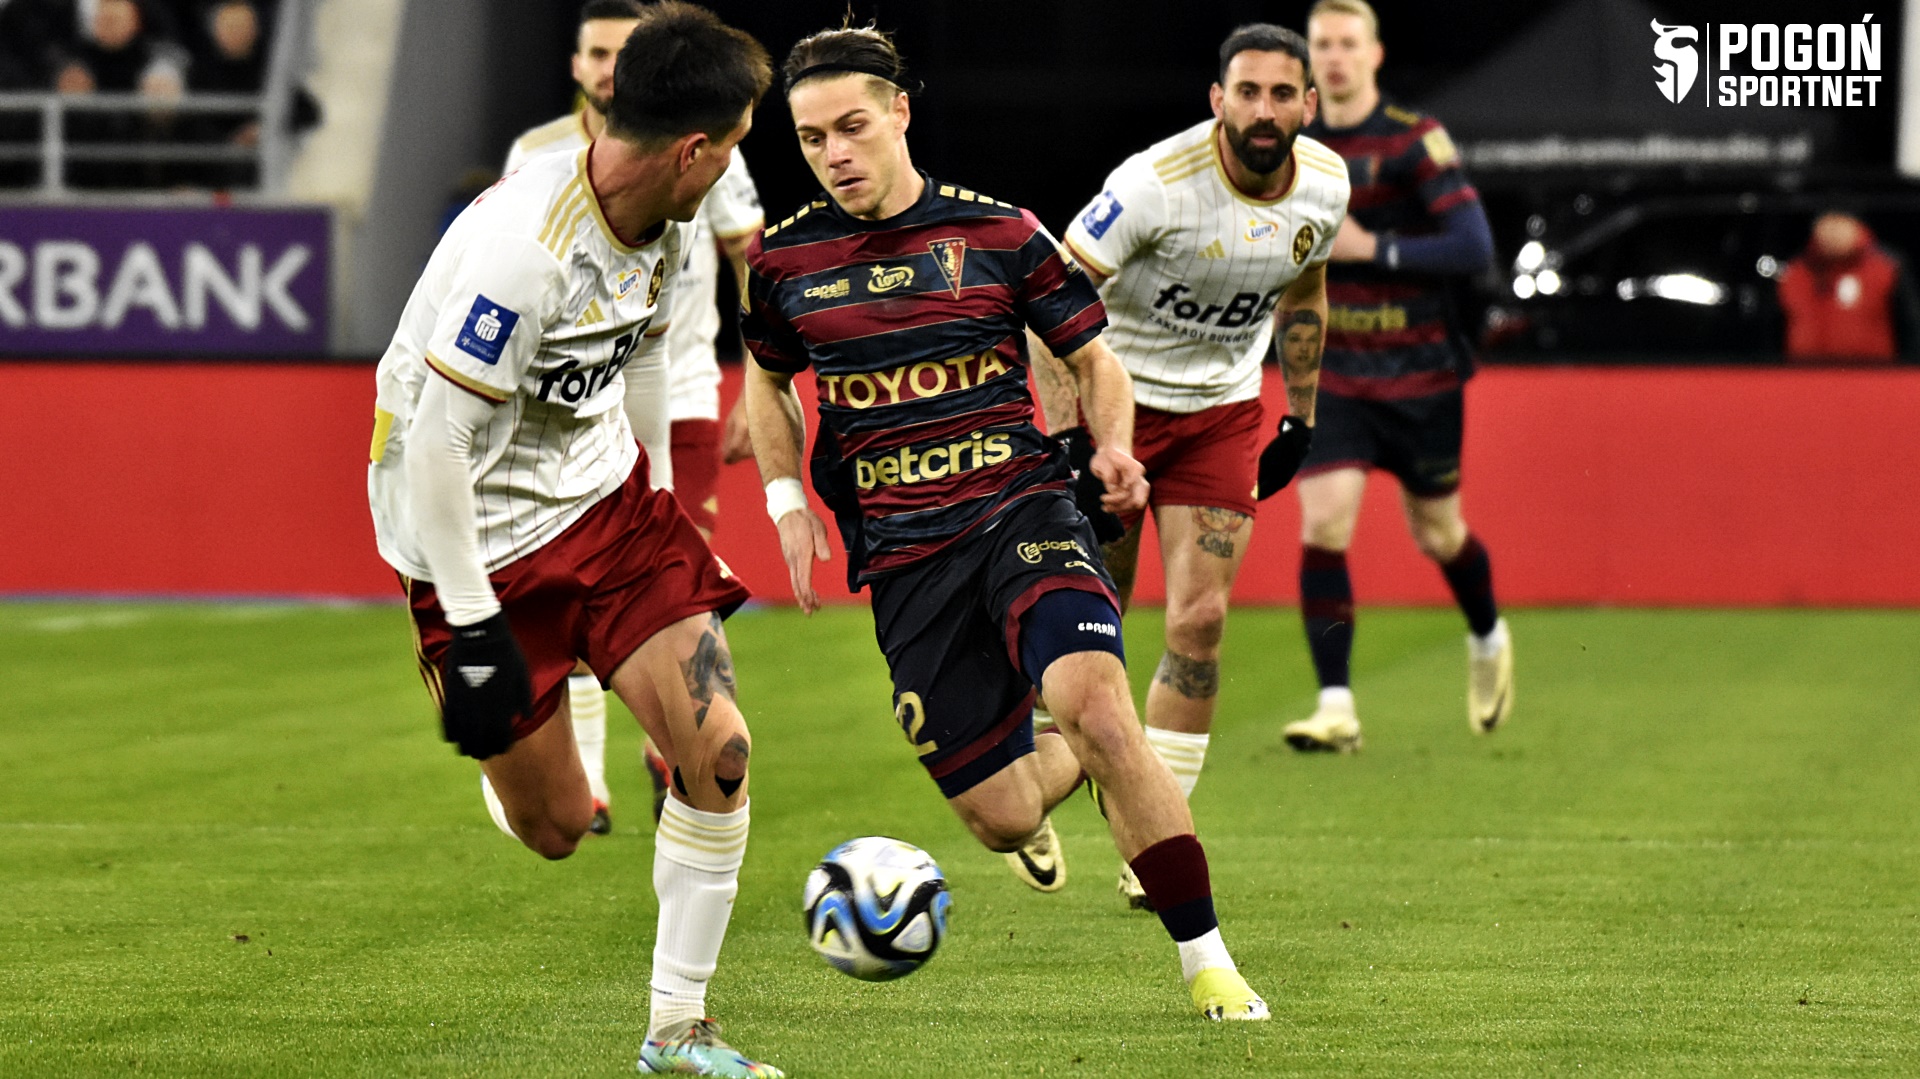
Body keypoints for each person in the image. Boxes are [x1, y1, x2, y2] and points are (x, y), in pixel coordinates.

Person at [741, 24, 1269, 1022]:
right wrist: (785, 500)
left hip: (1024, 508)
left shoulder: (999, 233)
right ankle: (1058, 750)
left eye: (852, 127)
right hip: (905, 558)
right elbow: (767, 381)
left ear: (900, 113)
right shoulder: (784, 261)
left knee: (1102, 710)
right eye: (812, 139)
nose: (834, 153)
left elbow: (1094, 359)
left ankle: (1210, 963)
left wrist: (1114, 447)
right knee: (1004, 814)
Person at [366, 7, 783, 1075]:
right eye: (733, 146)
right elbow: (438, 446)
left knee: (719, 752)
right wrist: (473, 628)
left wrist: (659, 501)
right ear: (691, 148)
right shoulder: (524, 252)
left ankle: (679, 1028)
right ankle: (514, 754)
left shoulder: (669, 218)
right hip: (475, 539)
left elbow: (641, 355)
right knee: (554, 826)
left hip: (607, 505)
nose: (732, 168)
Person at [1033, 24, 1347, 910]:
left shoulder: (1327, 184)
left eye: (1281, 94)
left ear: (1308, 104)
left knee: (1201, 621)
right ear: (1218, 100)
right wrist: (1072, 437)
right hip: (1117, 409)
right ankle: (1028, 785)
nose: (1263, 110)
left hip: (1222, 413)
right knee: (1089, 624)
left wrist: (1301, 415)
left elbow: (1306, 288)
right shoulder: (1155, 185)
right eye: (1246, 92)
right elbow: (1049, 299)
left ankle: (1153, 845)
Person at [503, 0, 765, 832]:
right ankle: (593, 782)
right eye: (595, 53)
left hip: (678, 388)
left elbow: (749, 254)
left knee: (675, 581)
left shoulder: (702, 142)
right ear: (576, 66)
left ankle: (670, 754)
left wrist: (761, 378)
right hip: (572, 409)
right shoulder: (536, 156)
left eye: (622, 53)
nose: (607, 68)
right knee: (580, 586)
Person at [1285, 0, 1507, 753]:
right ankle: (1336, 706)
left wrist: (1374, 250)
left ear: (1375, 54)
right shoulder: (1294, 145)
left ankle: (1487, 635)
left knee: (1439, 534)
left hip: (1421, 373)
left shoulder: (1413, 139)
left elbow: (1473, 246)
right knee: (1325, 523)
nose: (1336, 57)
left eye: (1349, 43)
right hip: (1335, 370)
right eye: (1323, 44)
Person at [1777, 212, 1920, 362]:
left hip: (1873, 369)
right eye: (1826, 224)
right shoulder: (1795, 271)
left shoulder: (1887, 267)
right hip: (1802, 370)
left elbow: (1910, 322)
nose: (1832, 233)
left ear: (1857, 226)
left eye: (1840, 224)